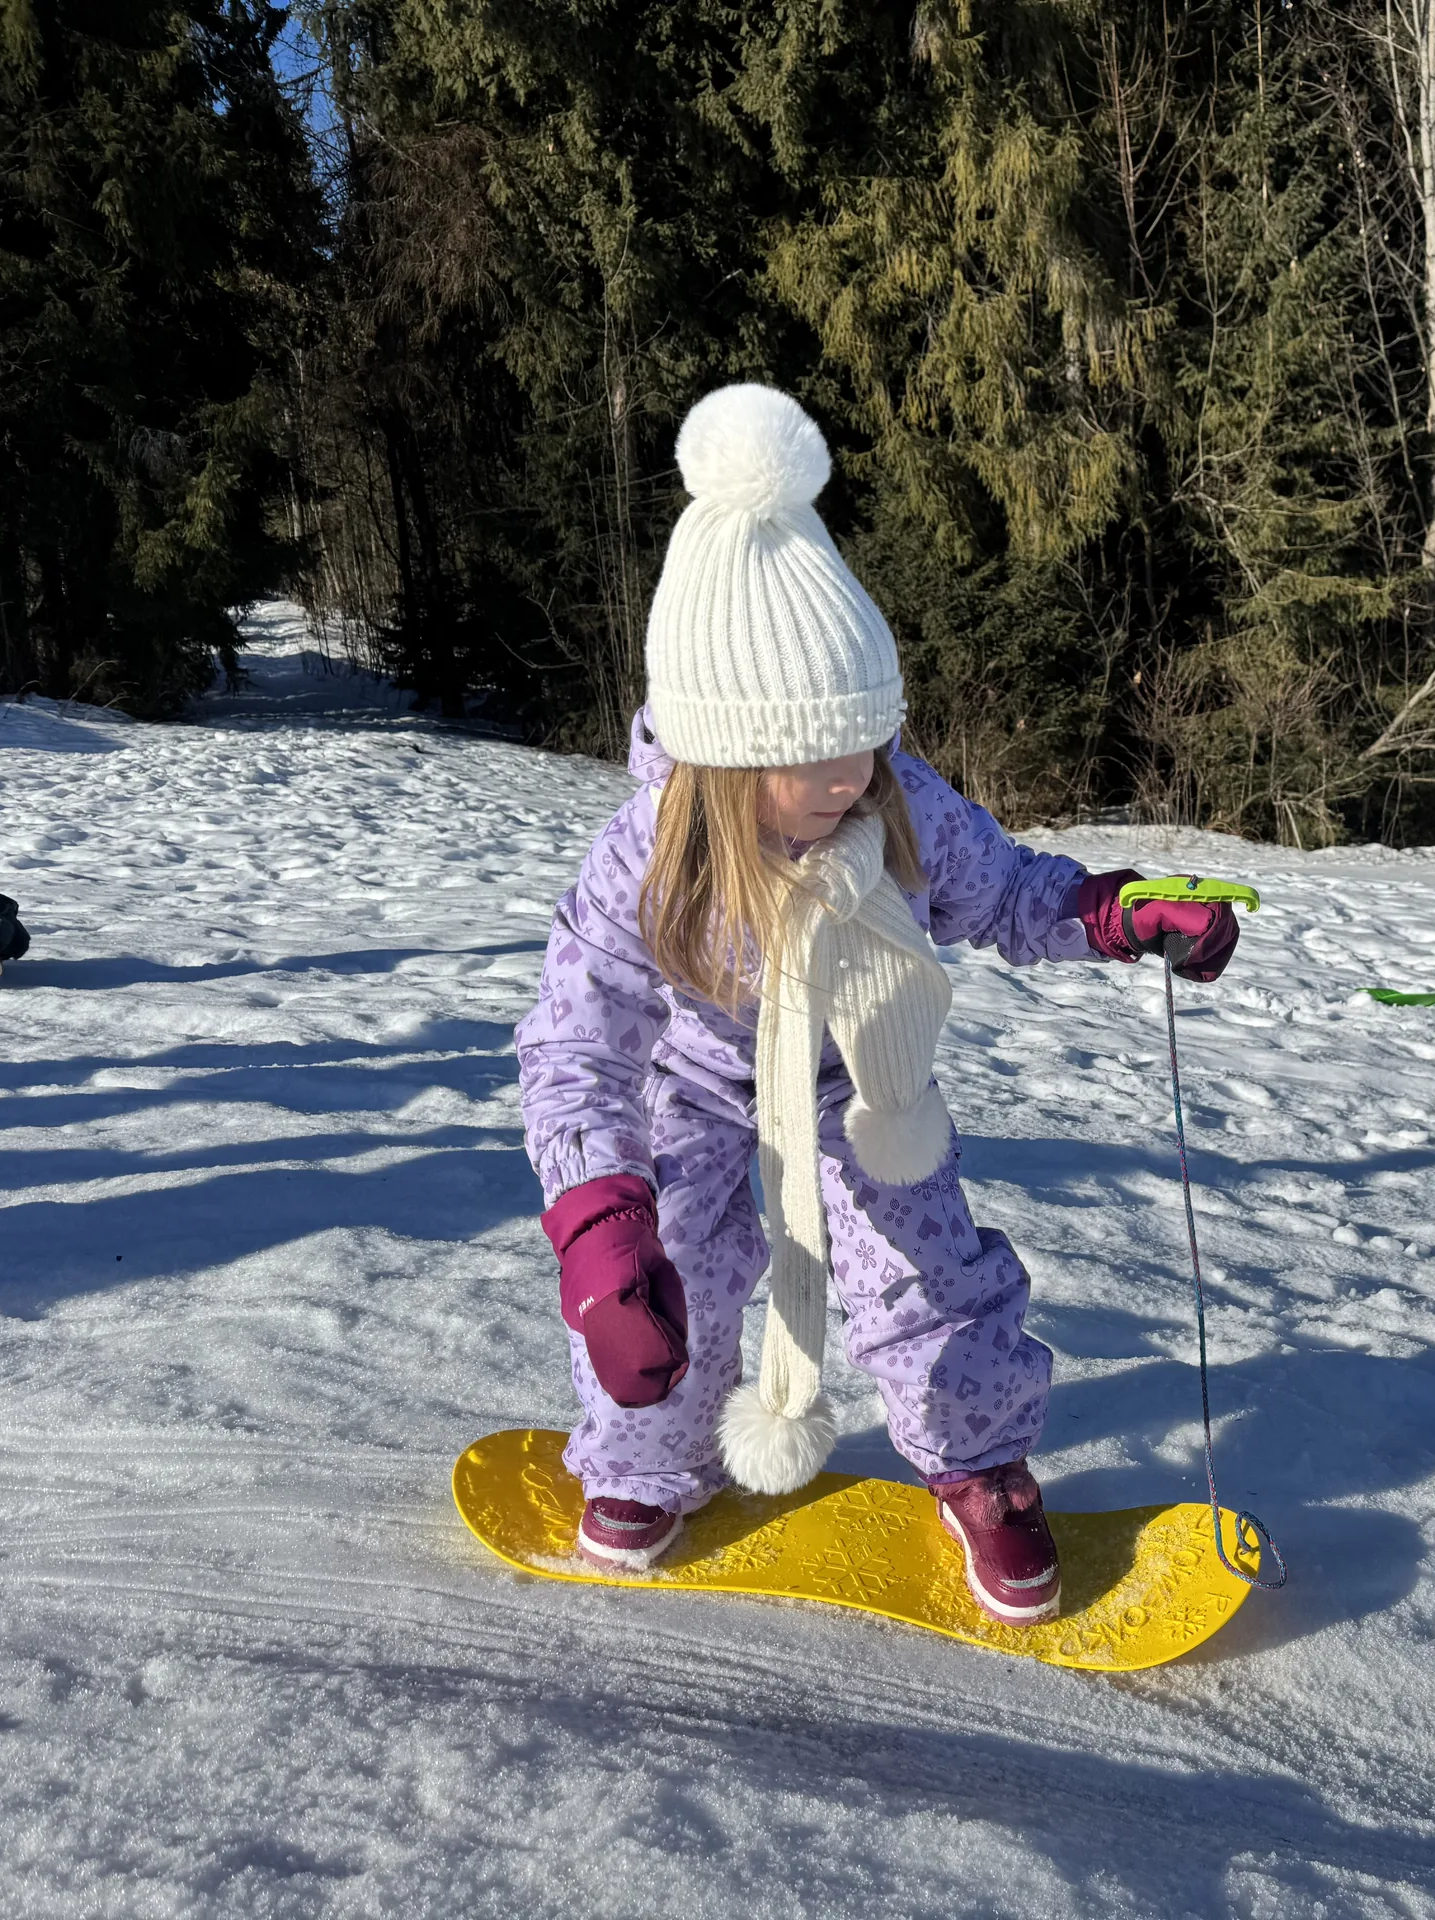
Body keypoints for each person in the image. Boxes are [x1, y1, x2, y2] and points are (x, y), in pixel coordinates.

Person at [515, 384, 1241, 1622]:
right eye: (814, 753)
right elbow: (576, 1046)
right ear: (719, 758)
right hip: (689, 1086)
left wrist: (1110, 915)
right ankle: (650, 1456)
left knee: (924, 1268)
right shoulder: (649, 860)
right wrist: (597, 1226)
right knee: (677, 1260)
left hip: (860, 1075)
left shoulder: (891, 805)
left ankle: (979, 1463)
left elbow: (1004, 889)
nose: (850, 777)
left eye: (866, 740)